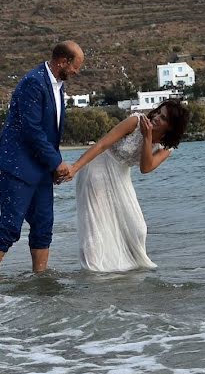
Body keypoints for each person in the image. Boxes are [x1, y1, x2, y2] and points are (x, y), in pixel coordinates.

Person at [0, 40, 85, 277]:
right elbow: (32, 129)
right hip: (16, 165)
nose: (76, 72)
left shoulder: (58, 86)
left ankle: (41, 278)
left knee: (43, 225)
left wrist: (53, 167)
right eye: (75, 66)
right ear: (62, 61)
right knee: (10, 225)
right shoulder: (33, 82)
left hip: (40, 167)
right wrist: (57, 163)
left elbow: (51, 134)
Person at [57, 99, 190, 272]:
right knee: (95, 223)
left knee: (138, 228)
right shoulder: (135, 121)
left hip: (121, 174)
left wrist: (147, 137)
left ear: (171, 127)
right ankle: (94, 271)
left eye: (163, 118)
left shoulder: (166, 147)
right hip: (98, 166)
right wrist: (75, 168)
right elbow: (102, 144)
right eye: (158, 112)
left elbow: (146, 168)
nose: (156, 117)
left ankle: (125, 272)